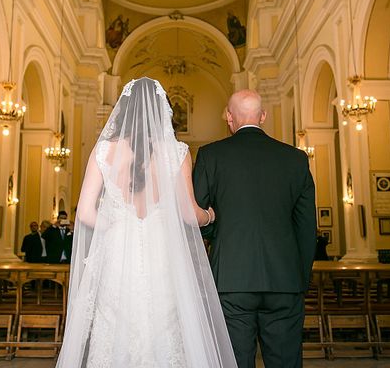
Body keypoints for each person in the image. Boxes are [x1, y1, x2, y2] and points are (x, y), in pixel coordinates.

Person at [56, 77, 236, 367]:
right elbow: (190, 214)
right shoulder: (177, 152)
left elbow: (85, 212)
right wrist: (211, 214)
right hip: (162, 253)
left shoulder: (104, 151)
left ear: (124, 109)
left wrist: (113, 226)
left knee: (114, 326)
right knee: (164, 327)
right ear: (162, 109)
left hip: (116, 255)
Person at [193, 89, 316, 368]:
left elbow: (197, 218)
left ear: (228, 116)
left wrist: (220, 231)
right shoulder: (295, 159)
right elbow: (307, 227)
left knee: (234, 362)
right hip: (285, 281)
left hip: (230, 280)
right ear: (263, 116)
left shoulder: (211, 155)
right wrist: (300, 279)